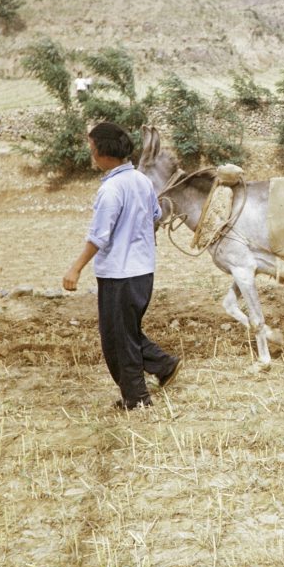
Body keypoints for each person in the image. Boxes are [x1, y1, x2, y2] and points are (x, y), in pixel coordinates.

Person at [63, 121, 181, 409]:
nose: (90, 155)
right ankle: (163, 366)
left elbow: (99, 236)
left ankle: (137, 399)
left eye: (92, 149)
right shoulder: (142, 181)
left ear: (104, 152)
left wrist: (75, 268)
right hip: (143, 272)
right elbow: (155, 215)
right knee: (124, 332)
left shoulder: (111, 189)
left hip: (119, 274)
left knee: (118, 340)